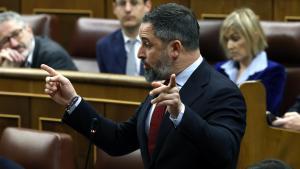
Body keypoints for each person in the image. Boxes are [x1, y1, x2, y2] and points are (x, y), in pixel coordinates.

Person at [42, 3, 246, 169]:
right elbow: (118, 140)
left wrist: (181, 114)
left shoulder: (224, 92)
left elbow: (226, 154)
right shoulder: (163, 84)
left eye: (147, 44)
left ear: (175, 48)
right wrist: (73, 101)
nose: (139, 53)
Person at [215, 8, 286, 115]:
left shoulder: (274, 71)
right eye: (226, 40)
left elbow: (267, 113)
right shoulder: (219, 69)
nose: (229, 46)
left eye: (235, 38)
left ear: (254, 37)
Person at [0, 11, 77, 70]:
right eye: (5, 40)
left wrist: (11, 73)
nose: (14, 44)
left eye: (16, 34)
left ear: (29, 30)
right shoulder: (3, 59)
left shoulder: (54, 56)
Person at [96, 0, 151, 75]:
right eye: (122, 3)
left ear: (147, 6)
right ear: (114, 8)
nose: (127, 9)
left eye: (134, 3)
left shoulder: (164, 44)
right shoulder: (104, 46)